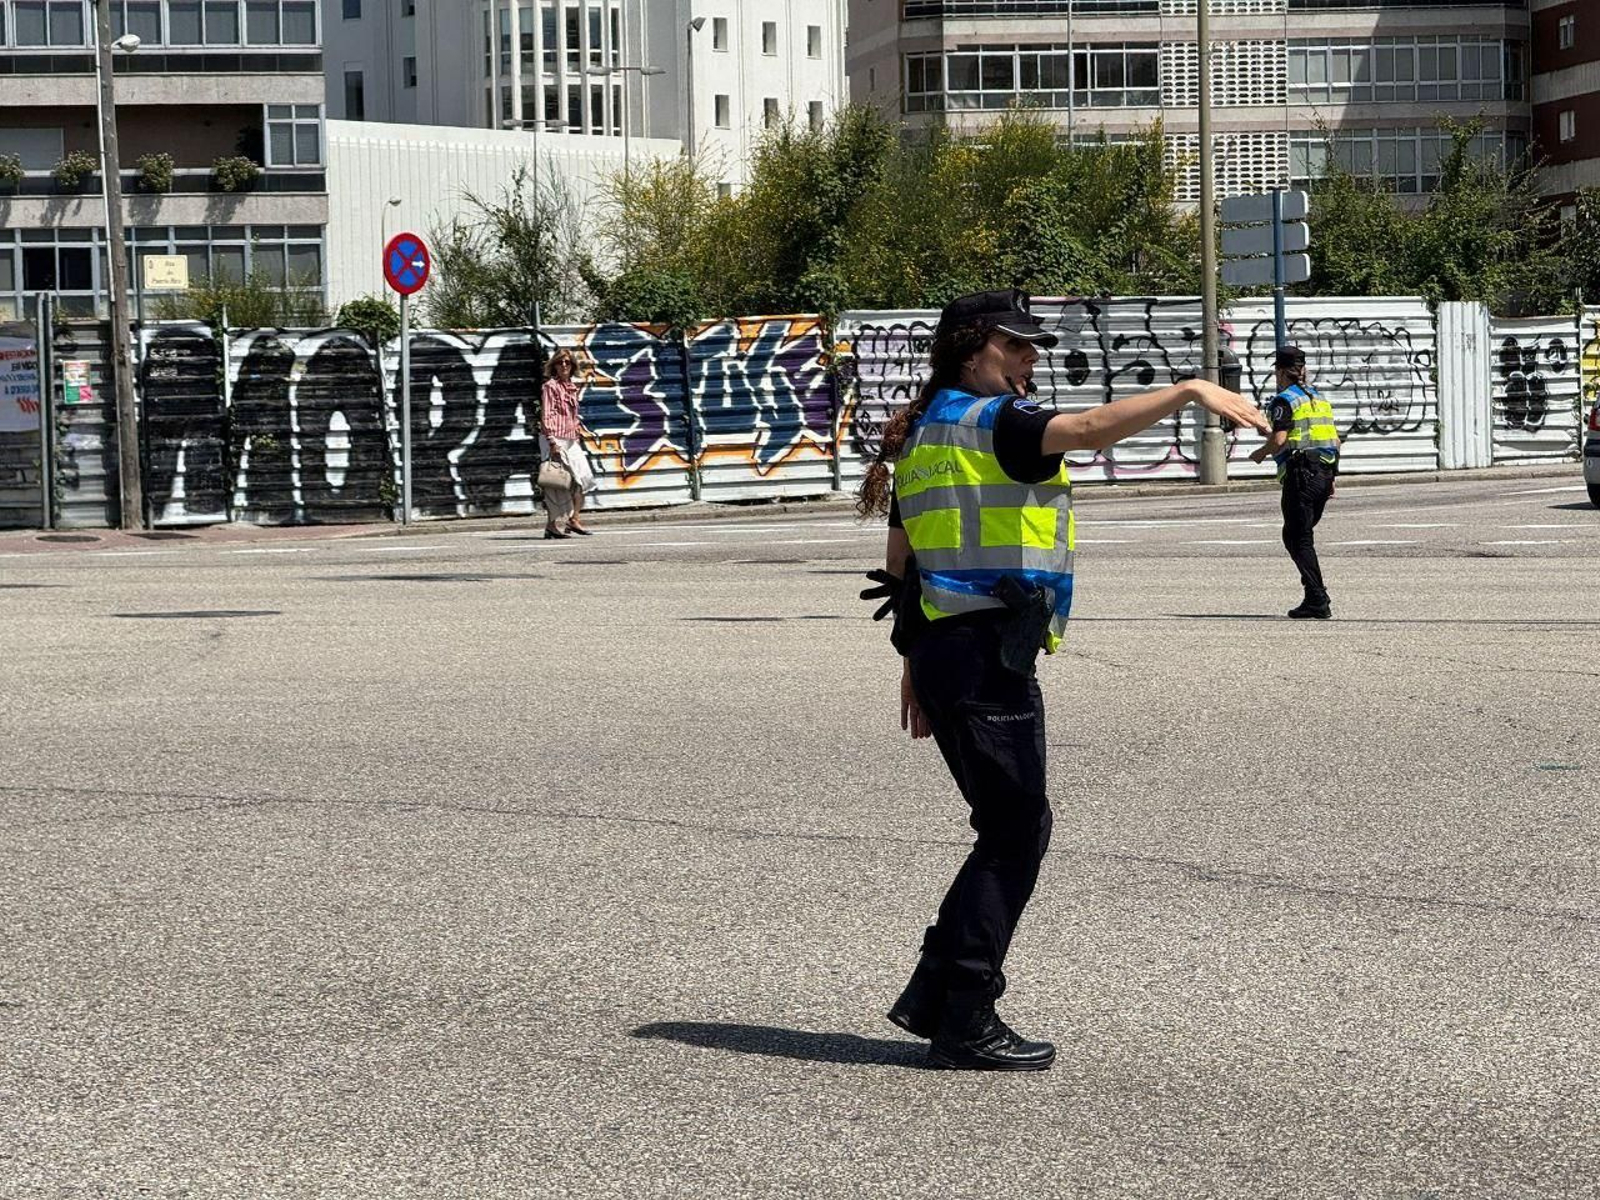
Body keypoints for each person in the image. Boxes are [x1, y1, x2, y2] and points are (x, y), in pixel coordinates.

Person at [857, 290, 1268, 1073]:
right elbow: (1083, 430)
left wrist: (912, 660)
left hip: (947, 652)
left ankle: (936, 992)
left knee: (1006, 824)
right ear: (974, 346)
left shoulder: (923, 431)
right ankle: (964, 1010)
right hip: (983, 657)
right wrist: (1189, 390)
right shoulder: (997, 426)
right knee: (1016, 831)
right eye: (1017, 345)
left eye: (1034, 346)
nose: (1030, 359)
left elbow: (900, 561)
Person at [1248, 344, 1340, 619]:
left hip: (1302, 473)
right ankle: (1314, 595)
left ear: (1279, 371)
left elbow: (1279, 440)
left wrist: (1259, 454)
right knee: (1299, 536)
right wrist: (1332, 477)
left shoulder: (1284, 400)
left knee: (1297, 537)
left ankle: (1317, 599)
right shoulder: (1318, 398)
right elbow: (1334, 441)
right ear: (1303, 369)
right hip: (1323, 472)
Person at [540, 349, 597, 539]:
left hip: (571, 439)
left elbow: (572, 415)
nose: (564, 365)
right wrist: (552, 442)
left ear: (572, 366)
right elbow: (547, 415)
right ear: (554, 366)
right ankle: (552, 526)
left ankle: (574, 519)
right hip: (555, 438)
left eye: (567, 362)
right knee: (557, 483)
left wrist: (578, 431)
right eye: (560, 362)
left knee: (583, 479)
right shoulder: (550, 386)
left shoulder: (571, 387)